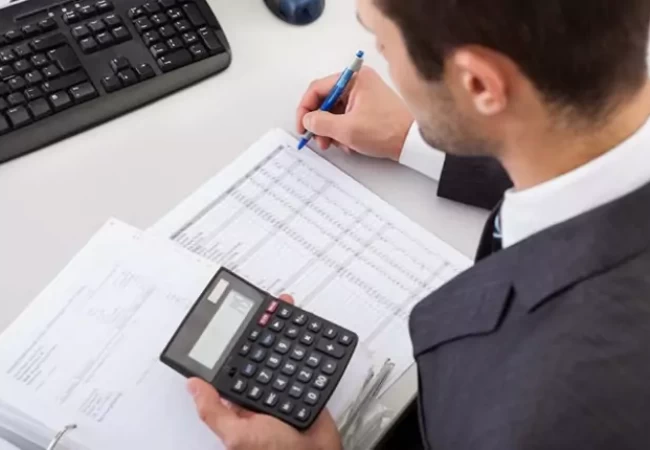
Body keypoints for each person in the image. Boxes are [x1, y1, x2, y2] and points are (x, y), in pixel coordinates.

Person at [187, 0, 650, 448]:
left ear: (480, 85)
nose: (381, 64)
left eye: (382, 45)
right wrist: (414, 137)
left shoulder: (540, 415)